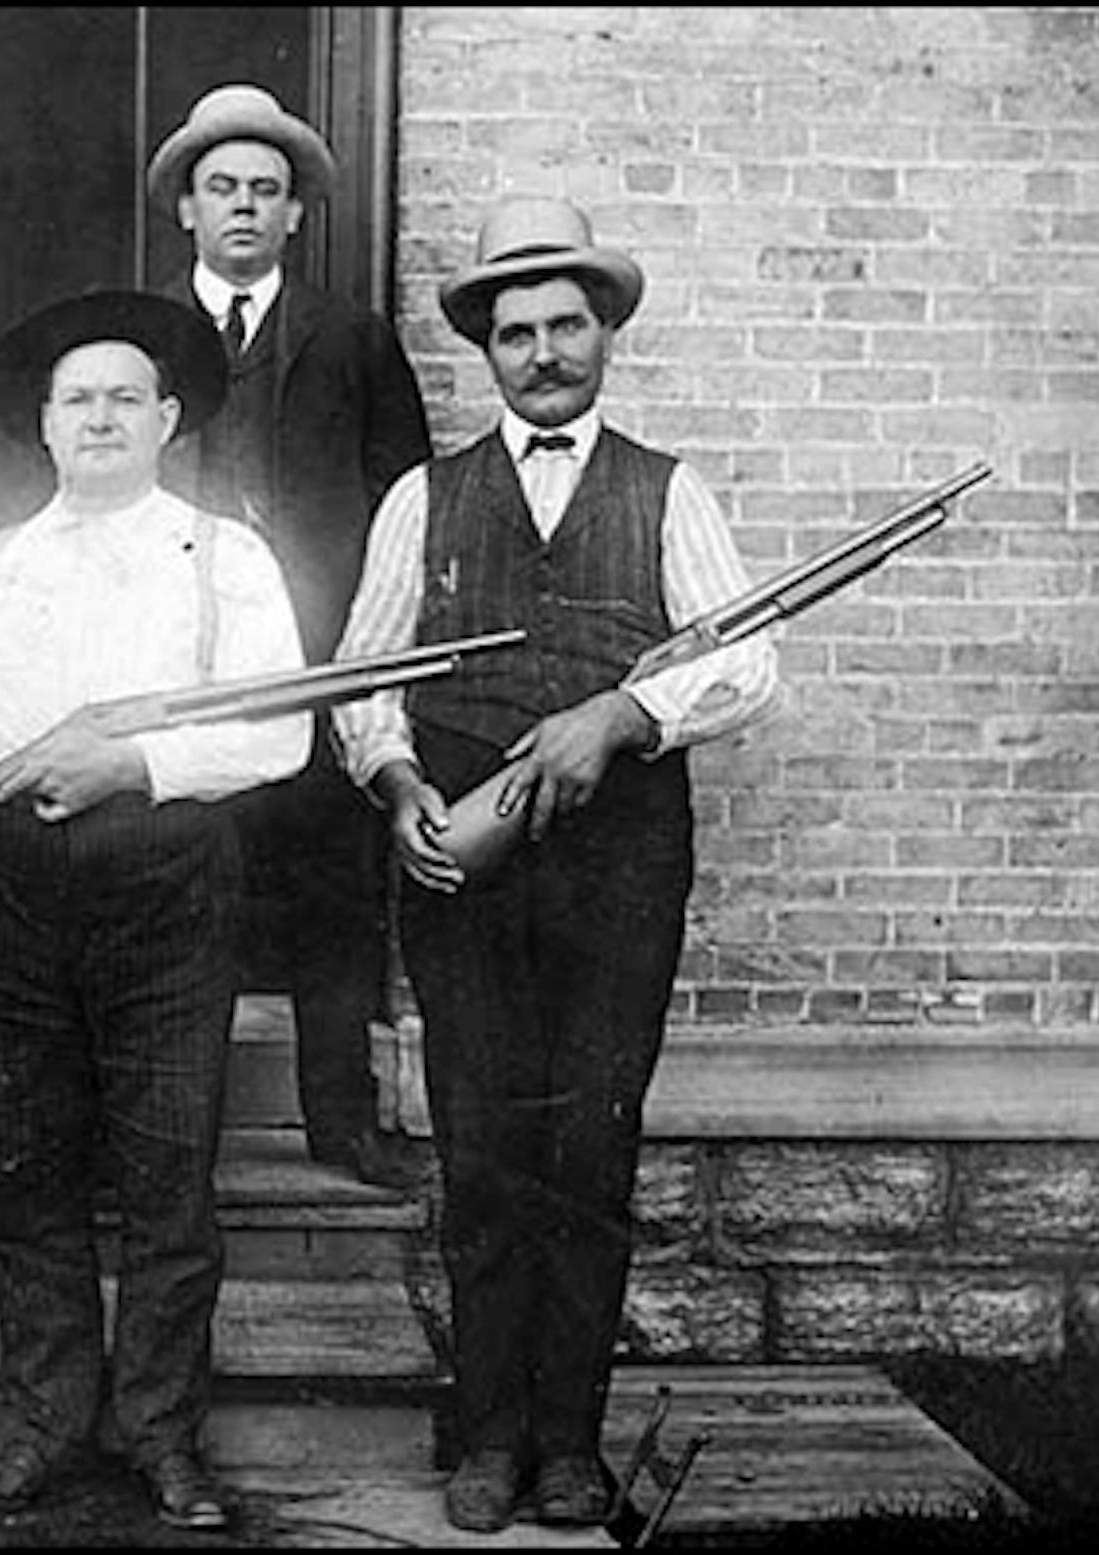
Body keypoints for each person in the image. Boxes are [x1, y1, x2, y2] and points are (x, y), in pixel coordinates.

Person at [331, 197, 779, 1533]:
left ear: (605, 336)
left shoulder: (667, 489)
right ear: (486, 350)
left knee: (591, 1150)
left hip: (622, 864)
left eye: (566, 325)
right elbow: (363, 679)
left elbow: (751, 660)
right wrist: (397, 782)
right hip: (467, 863)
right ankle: (487, 1435)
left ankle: (571, 1443)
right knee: (479, 1150)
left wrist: (625, 715)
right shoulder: (423, 496)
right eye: (516, 332)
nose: (543, 352)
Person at [0, 292, 310, 1532]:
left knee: (168, 1178)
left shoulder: (226, 557)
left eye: (128, 396)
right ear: (45, 423)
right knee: (26, 1177)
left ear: (169, 419)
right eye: (79, 398)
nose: (103, 417)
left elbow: (280, 734)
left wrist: (133, 765)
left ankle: (163, 1436)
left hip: (169, 886)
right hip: (16, 893)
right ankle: (46, 1424)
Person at [146, 84, 435, 1191]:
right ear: (187, 207)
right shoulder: (143, 339)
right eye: (221, 187)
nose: (244, 207)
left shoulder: (352, 341)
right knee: (182, 898)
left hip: (321, 667)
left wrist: (366, 658)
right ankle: (175, 1131)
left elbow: (404, 509)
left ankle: (340, 1121)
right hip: (181, 674)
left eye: (266, 190)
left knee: (334, 898)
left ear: (297, 213)